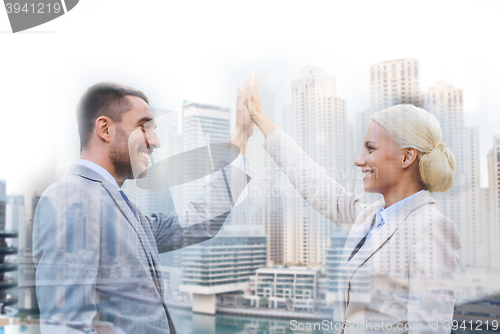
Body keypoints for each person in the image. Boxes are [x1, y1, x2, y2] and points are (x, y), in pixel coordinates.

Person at [242, 70, 460, 333]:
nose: (359, 160)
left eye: (371, 149)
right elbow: (317, 186)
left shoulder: (432, 229)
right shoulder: (369, 219)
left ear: (406, 157)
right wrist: (261, 119)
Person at [33, 83, 254, 334]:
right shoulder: (70, 197)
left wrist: (241, 136)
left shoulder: (131, 214)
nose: (156, 142)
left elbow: (202, 219)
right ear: (105, 129)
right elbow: (67, 327)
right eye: (144, 126)